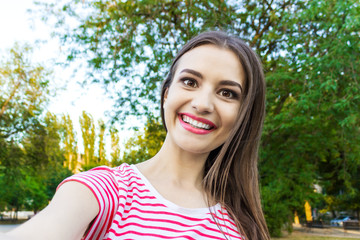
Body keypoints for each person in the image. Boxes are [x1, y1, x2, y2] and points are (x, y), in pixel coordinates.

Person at [3, 31, 270, 240]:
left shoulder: (240, 223)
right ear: (167, 95)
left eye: (227, 93)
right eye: (190, 82)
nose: (202, 104)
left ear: (243, 114)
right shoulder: (105, 191)